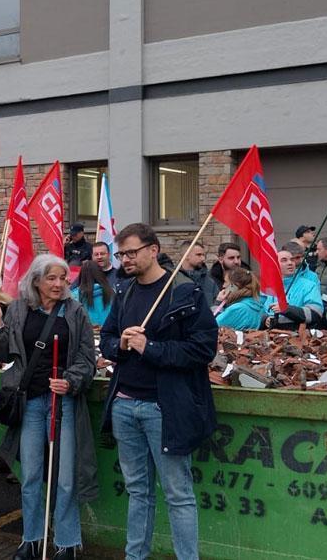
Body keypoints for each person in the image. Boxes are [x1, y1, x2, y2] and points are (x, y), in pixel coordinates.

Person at [100, 223, 216, 560]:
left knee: (178, 494)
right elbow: (106, 340)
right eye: (121, 254)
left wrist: (150, 348)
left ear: (153, 250)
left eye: (131, 253)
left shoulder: (185, 292)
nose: (125, 259)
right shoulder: (124, 291)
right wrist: (121, 345)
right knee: (138, 492)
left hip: (165, 408)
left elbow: (202, 349)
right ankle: (135, 556)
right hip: (124, 405)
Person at [0, 254, 97, 560]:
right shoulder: (19, 309)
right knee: (31, 476)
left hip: (63, 402)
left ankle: (67, 542)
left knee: (65, 478)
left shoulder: (75, 311)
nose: (59, 284)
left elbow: (87, 359)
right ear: (36, 281)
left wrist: (70, 381)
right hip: (31, 402)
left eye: (63, 278)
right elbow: (2, 353)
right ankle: (31, 539)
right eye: (51, 278)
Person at [262, 242, 324, 329]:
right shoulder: (267, 286)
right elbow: (257, 310)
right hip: (271, 334)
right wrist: (265, 319)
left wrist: (288, 309)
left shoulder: (309, 285)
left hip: (298, 334)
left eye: (292, 260)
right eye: (284, 260)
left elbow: (316, 313)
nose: (290, 263)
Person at [71, 260, 113, 329]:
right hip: (109, 332)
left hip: (86, 333)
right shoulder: (112, 292)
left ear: (82, 275)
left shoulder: (75, 295)